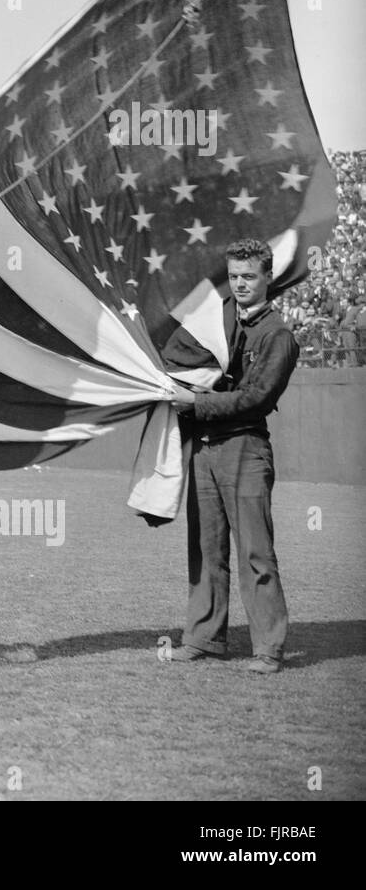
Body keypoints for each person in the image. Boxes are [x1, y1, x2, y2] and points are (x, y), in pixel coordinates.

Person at [168, 239, 299, 675]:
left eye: (249, 277)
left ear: (268, 279)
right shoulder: (218, 324)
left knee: (256, 554)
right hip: (205, 448)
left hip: (244, 448)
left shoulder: (276, 335)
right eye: (235, 277)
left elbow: (256, 399)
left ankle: (268, 648)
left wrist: (195, 403)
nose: (240, 284)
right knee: (206, 550)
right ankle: (205, 638)